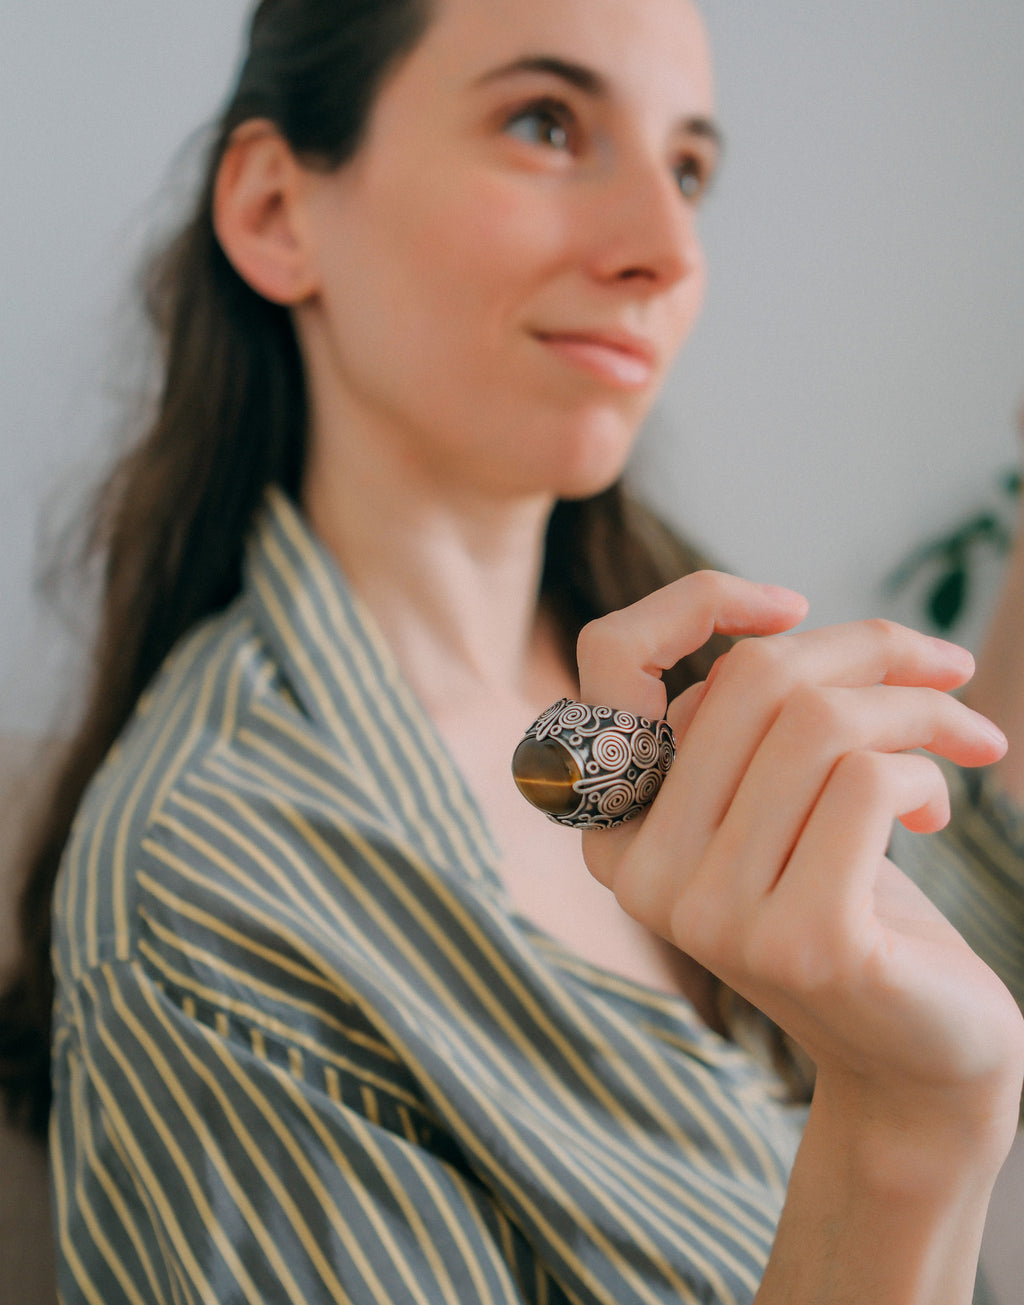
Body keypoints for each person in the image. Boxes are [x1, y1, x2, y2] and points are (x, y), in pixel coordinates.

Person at [2, 0, 1023, 1300]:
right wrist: (903, 1135)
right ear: (274, 209)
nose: (668, 248)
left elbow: (978, 929)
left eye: (690, 169)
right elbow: (935, 1069)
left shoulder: (650, 691)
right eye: (545, 123)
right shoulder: (214, 900)